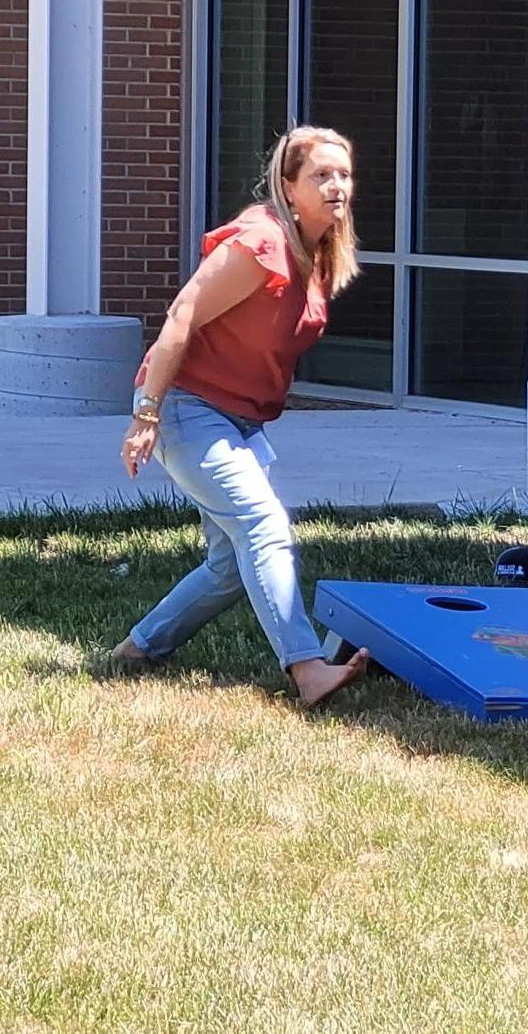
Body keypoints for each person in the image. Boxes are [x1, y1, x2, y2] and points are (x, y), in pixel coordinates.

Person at [110, 126, 371, 706]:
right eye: (321, 176)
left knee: (230, 565)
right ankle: (307, 670)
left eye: (344, 174)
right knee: (264, 526)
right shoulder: (262, 241)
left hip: (239, 420)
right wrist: (147, 414)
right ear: (288, 185)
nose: (337, 187)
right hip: (185, 407)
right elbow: (182, 317)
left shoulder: (319, 249)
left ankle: (138, 650)